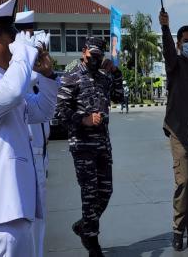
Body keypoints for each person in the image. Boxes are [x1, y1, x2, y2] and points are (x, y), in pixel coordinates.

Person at [0, 0, 59, 256]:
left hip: (14, 209)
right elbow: (14, 93)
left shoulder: (5, 81)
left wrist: (48, 77)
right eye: (11, 41)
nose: (16, 48)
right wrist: (24, 53)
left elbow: (42, 110)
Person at [56, 37, 123, 256]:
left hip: (103, 144)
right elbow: (61, 112)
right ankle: (92, 241)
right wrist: (83, 119)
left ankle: (85, 225)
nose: (95, 60)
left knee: (106, 192)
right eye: (92, 56)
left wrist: (116, 73)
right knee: (90, 193)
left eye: (99, 56)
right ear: (84, 52)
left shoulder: (104, 78)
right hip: (83, 146)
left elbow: (118, 97)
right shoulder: (71, 76)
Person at [159, 10, 188, 251]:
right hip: (179, 132)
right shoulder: (174, 65)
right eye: (186, 41)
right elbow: (168, 53)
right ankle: (178, 231)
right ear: (179, 44)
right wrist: (166, 28)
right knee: (185, 181)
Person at [15, 9, 54, 257]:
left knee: (38, 222)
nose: (31, 35)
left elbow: (45, 108)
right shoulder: (13, 68)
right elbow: (14, 89)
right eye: (25, 31)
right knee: (23, 223)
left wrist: (45, 71)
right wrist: (27, 57)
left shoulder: (28, 67)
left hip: (40, 153)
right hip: (24, 155)